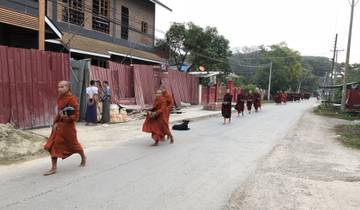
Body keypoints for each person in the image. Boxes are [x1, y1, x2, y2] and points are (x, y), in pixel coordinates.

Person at [43, 81, 86, 176]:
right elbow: (60, 112)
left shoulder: (72, 99)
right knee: (53, 145)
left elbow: (76, 116)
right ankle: (53, 168)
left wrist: (66, 117)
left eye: (62, 87)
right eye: (59, 87)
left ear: (68, 88)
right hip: (59, 125)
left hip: (68, 127)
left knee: (74, 145)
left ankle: (83, 157)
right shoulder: (60, 98)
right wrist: (56, 122)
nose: (59, 89)